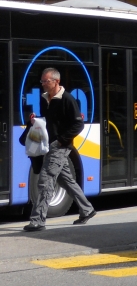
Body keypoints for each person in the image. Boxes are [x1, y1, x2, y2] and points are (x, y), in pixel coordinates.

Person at [24, 68, 96, 231]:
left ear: (56, 81)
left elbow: (78, 124)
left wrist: (62, 141)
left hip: (60, 146)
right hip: (48, 145)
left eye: (45, 81)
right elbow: (49, 122)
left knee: (45, 180)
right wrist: (35, 121)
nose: (42, 84)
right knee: (66, 180)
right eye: (41, 81)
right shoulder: (44, 99)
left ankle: (38, 220)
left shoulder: (67, 99)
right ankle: (87, 209)